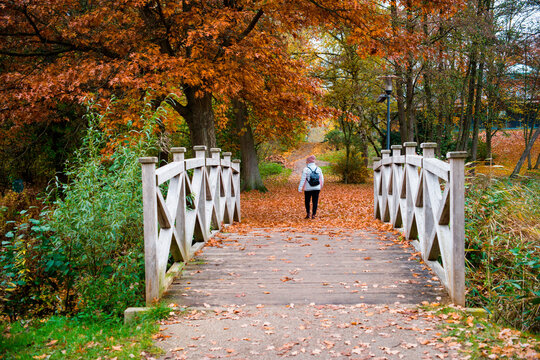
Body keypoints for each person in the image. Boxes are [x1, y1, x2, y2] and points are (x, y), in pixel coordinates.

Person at [298, 155, 324, 219]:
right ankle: (314, 215)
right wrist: (320, 186)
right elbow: (322, 179)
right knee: (315, 201)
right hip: (317, 188)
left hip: (308, 188)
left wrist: (300, 188)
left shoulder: (306, 169)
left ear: (308, 162)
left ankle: (308, 214)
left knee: (307, 201)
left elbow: (303, 179)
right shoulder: (318, 169)